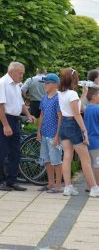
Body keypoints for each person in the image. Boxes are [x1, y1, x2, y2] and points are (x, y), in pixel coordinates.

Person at [0, 62, 35, 192]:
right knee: (2, 151)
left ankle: (12, 181)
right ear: (12, 72)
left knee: (16, 152)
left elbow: (20, 103)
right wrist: (5, 125)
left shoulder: (16, 85)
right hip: (4, 119)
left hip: (14, 120)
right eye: (21, 73)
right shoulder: (1, 84)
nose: (22, 76)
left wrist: (28, 114)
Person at [58, 68, 99, 197]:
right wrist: (84, 130)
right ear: (73, 79)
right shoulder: (72, 94)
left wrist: (83, 93)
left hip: (64, 124)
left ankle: (68, 187)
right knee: (85, 159)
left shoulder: (61, 93)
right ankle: (94, 188)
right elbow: (77, 113)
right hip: (73, 125)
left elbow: (77, 106)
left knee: (67, 157)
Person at [36, 74, 63, 193]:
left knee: (56, 160)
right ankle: (50, 183)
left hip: (53, 134)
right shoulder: (44, 98)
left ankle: (58, 186)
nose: (45, 85)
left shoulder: (58, 98)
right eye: (44, 83)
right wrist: (38, 131)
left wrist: (58, 135)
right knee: (46, 159)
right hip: (45, 133)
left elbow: (60, 118)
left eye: (47, 83)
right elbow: (41, 115)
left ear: (55, 84)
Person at [84, 87, 99, 187]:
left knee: (89, 164)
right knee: (97, 165)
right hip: (96, 141)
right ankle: (97, 186)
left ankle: (89, 186)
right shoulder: (97, 109)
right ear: (93, 97)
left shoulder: (86, 108)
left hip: (87, 141)